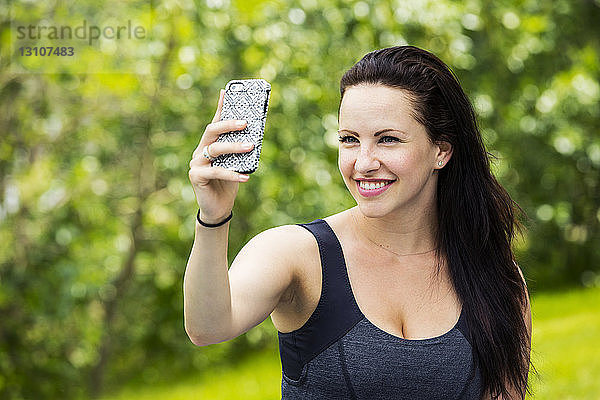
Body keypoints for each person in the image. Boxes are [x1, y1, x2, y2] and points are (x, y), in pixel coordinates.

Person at [184, 45, 533, 400]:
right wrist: (213, 217)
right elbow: (207, 327)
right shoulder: (297, 253)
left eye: (388, 140)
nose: (363, 162)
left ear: (440, 151)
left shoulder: (496, 278)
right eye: (350, 140)